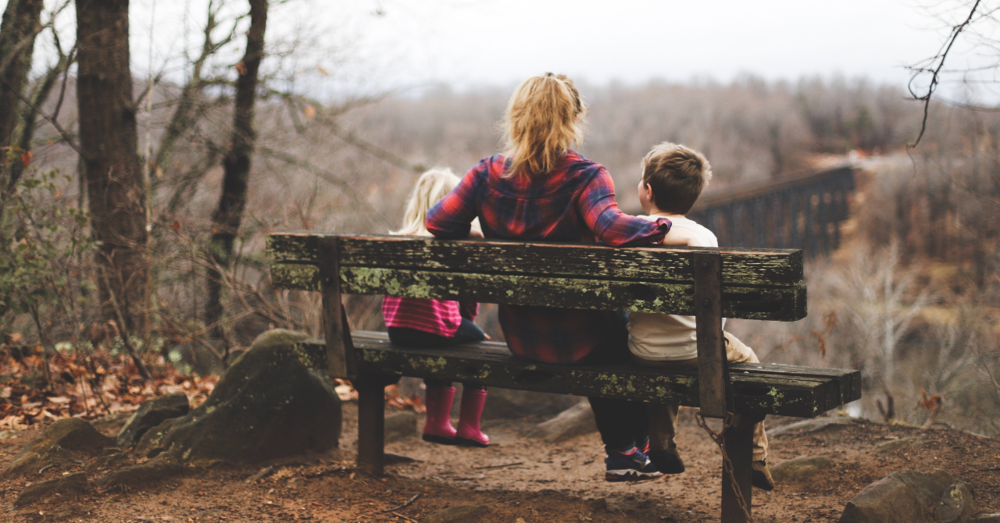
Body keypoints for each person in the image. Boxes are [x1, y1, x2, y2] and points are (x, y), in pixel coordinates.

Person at [426, 73, 672, 482]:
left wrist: (476, 232)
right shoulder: (586, 177)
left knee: (609, 330)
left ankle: (630, 450)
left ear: (516, 118)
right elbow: (611, 228)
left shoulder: (485, 174)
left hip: (523, 337)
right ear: (574, 119)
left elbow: (438, 223)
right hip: (585, 340)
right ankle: (629, 449)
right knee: (624, 332)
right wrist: (662, 225)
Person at [628, 142, 775, 491]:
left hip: (642, 351)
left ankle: (661, 443)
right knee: (749, 361)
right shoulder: (704, 237)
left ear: (647, 190)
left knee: (662, 355)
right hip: (699, 351)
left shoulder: (629, 231)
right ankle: (755, 456)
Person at [382, 168, 491, 447]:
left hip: (397, 330)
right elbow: (466, 299)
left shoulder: (399, 240)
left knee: (443, 337)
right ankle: (468, 427)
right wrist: (472, 327)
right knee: (480, 346)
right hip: (435, 328)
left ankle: (437, 423)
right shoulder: (451, 244)